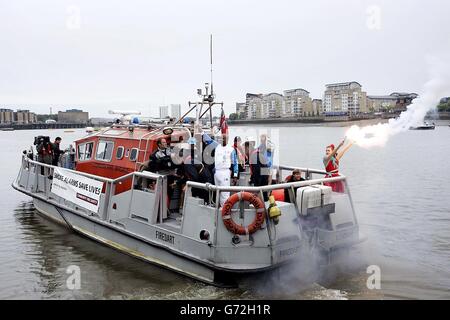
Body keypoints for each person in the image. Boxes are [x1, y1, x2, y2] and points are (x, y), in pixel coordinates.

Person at [214, 133, 239, 206]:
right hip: (217, 172)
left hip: (225, 172)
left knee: (225, 194)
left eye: (224, 138)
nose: (223, 140)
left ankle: (225, 210)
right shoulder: (217, 147)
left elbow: (235, 163)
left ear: (228, 140)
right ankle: (217, 210)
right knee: (217, 193)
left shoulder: (231, 150)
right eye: (222, 138)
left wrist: (235, 175)